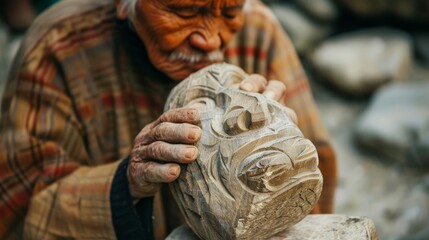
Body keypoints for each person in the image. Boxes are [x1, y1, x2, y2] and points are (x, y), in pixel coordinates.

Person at [0, 0, 337, 239]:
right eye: (183, 10)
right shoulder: (60, 45)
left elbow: (318, 164)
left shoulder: (258, 29)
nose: (212, 39)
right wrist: (125, 184)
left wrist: (285, 135)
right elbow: (16, 211)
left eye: (230, 12)